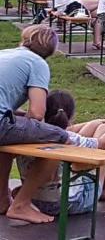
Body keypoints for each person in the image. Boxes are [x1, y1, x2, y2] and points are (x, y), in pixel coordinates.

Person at [0, 25, 74, 224]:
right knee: (60, 139)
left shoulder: (5, 54)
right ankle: (21, 203)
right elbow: (38, 112)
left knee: (7, 140)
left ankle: (2, 198)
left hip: (2, 122)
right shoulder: (37, 63)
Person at [16, 91, 105, 218]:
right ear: (70, 117)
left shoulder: (31, 131)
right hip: (68, 204)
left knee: (100, 127)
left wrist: (98, 122)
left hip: (33, 200)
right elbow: (104, 142)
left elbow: (72, 131)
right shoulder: (67, 137)